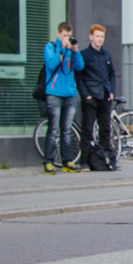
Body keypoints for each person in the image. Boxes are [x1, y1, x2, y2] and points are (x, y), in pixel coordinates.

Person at [42, 22, 84, 174]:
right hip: (54, 94)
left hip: (69, 94)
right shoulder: (51, 47)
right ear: (59, 34)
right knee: (53, 129)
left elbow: (79, 67)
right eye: (64, 35)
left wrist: (75, 51)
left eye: (69, 36)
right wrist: (63, 49)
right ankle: (48, 162)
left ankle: (67, 161)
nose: (67, 38)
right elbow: (52, 64)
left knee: (66, 130)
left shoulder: (71, 50)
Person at [80, 23, 117, 161]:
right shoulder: (84, 55)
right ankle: (84, 160)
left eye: (102, 37)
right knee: (87, 129)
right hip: (91, 97)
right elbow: (80, 77)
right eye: (97, 36)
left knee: (105, 130)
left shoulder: (106, 54)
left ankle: (107, 158)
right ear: (91, 37)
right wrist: (86, 96)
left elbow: (112, 74)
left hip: (105, 96)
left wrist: (112, 91)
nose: (100, 39)